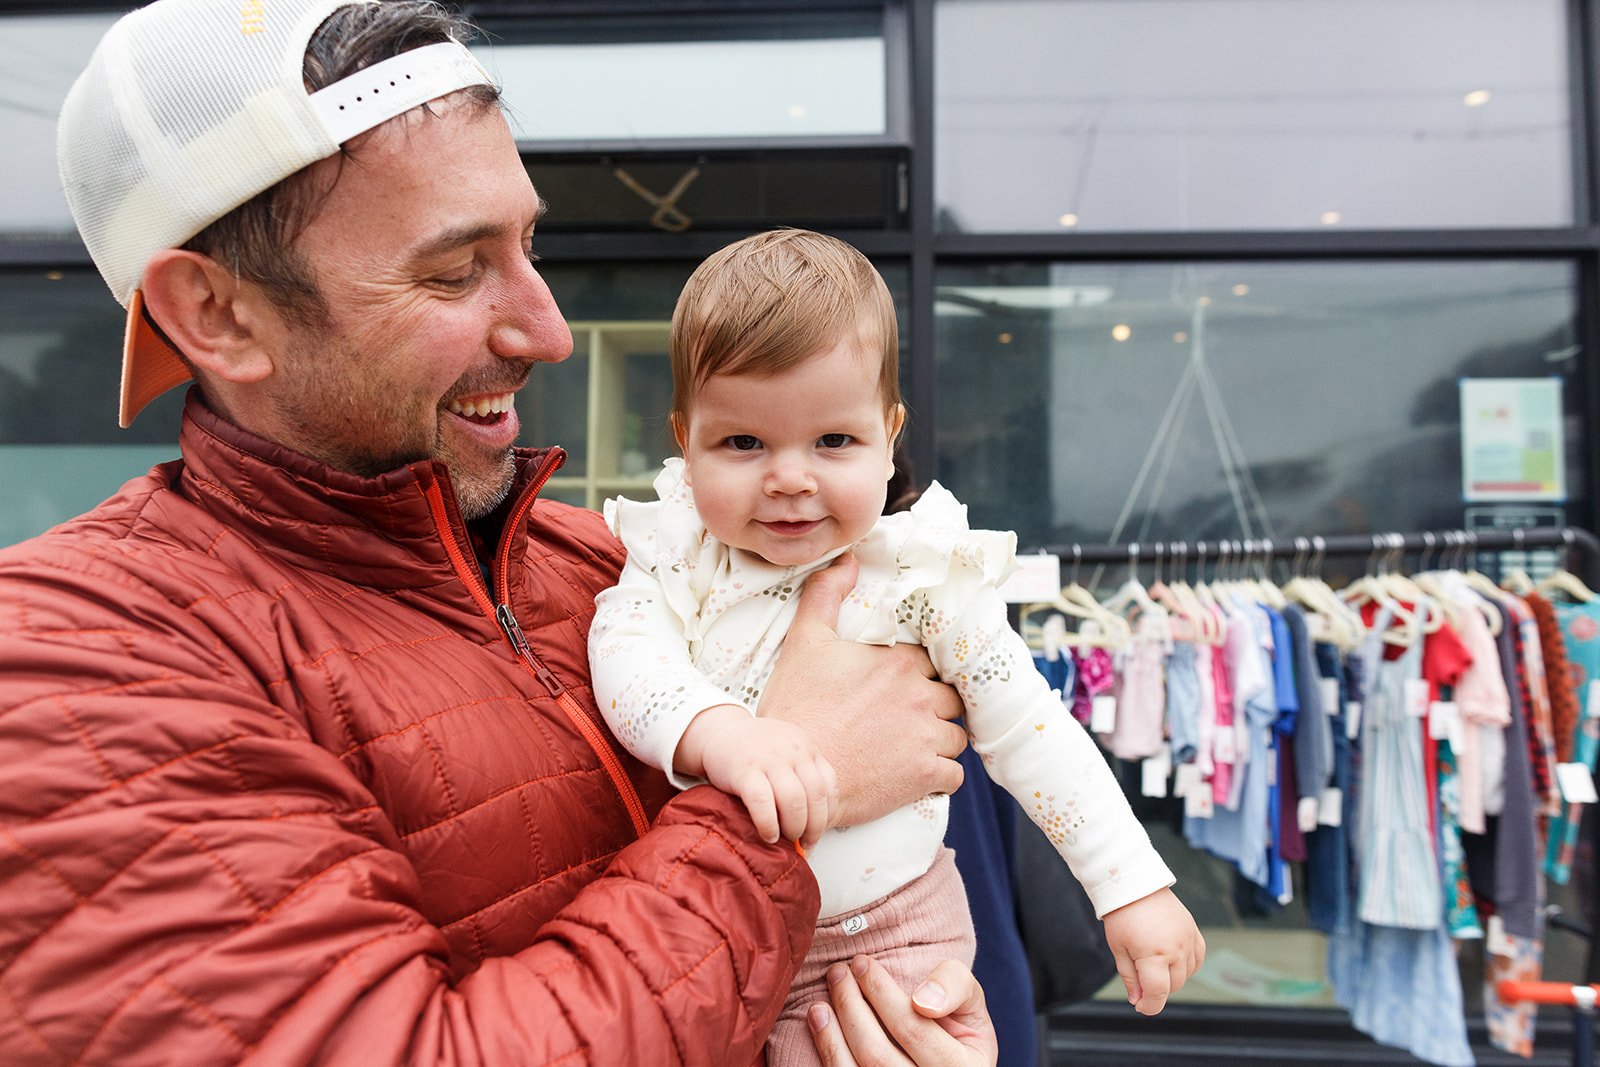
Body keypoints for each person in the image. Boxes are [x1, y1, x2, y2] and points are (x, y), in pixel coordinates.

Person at [0, 2, 996, 1063]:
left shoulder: (606, 565)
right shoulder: (75, 659)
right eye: (453, 269)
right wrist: (798, 790)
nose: (550, 330)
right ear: (218, 315)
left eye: (526, 242)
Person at [589, 229, 1208, 1066]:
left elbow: (1033, 732)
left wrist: (1129, 884)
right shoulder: (676, 558)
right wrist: (722, 733)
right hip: (729, 930)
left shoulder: (923, 578)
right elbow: (624, 657)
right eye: (743, 443)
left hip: (897, 931)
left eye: (832, 441)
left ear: (889, 434)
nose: (790, 477)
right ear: (683, 438)